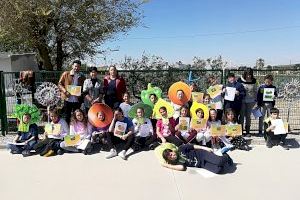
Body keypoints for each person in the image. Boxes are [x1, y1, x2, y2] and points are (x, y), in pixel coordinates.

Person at [155, 143, 233, 174]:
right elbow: (182, 167)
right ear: (170, 160)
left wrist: (204, 148)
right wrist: (166, 165)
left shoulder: (180, 149)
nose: (172, 155)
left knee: (219, 161)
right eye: (170, 157)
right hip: (202, 164)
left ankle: (225, 156)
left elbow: (192, 146)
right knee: (218, 170)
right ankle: (221, 157)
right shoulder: (177, 162)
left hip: (202, 154)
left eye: (171, 153)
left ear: (172, 151)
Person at [58, 60, 86, 124]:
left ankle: (76, 130)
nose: (76, 68)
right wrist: (65, 91)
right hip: (67, 98)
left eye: (78, 67)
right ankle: (67, 130)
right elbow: (59, 84)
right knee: (67, 115)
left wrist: (80, 94)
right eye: (75, 66)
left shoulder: (82, 77)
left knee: (77, 115)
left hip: (77, 99)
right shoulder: (66, 74)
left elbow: (84, 88)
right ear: (72, 66)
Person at [237, 68, 258, 137]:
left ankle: (248, 131)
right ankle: (240, 131)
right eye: (247, 74)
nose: (248, 76)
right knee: (242, 116)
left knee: (248, 116)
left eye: (250, 75)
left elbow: (255, 91)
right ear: (245, 74)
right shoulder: (240, 80)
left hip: (251, 101)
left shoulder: (254, 81)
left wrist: (255, 100)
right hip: (242, 101)